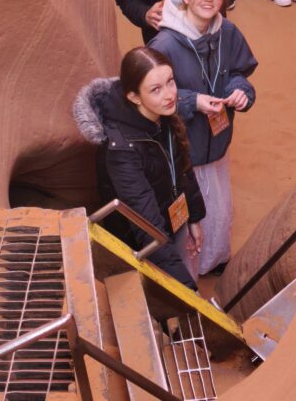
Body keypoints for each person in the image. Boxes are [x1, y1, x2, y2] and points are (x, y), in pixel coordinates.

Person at [151, 0, 256, 276]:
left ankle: (215, 259)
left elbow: (239, 71)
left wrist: (240, 91)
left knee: (218, 208)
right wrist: (193, 101)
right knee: (189, 214)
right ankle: (189, 274)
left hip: (216, 144)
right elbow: (150, 95)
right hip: (184, 150)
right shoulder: (164, 44)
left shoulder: (227, 32)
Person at [73, 47, 205, 289]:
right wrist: (188, 290)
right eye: (156, 89)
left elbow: (183, 168)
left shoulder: (161, 115)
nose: (170, 95)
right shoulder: (122, 150)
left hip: (171, 221)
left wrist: (194, 217)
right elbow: (148, 228)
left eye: (170, 81)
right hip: (142, 243)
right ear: (134, 97)